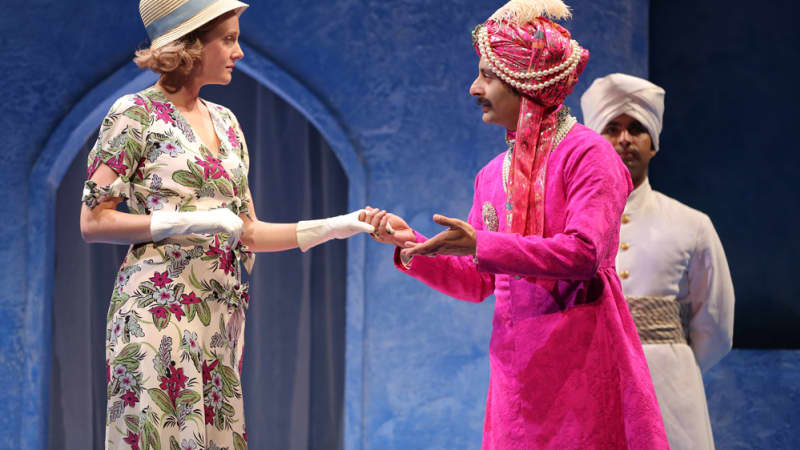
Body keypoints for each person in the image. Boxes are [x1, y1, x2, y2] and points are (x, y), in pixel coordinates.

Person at [363, 0, 669, 448]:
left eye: (487, 75)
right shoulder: (492, 175)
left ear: (526, 80)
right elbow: (477, 283)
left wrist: (482, 244)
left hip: (583, 361)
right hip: (516, 373)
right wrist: (414, 246)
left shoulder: (588, 155)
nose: (473, 88)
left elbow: (586, 254)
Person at [79, 1, 373, 448]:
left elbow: (249, 231)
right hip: (158, 310)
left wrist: (341, 224)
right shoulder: (134, 114)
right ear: (191, 46)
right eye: (229, 40)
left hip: (219, 316)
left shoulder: (228, 124)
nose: (239, 52)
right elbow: (93, 220)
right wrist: (181, 222)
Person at [581, 73, 735, 450]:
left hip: (669, 388)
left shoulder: (692, 224)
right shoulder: (567, 225)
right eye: (611, 128)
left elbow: (716, 324)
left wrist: (674, 365)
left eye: (637, 129)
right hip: (587, 377)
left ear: (653, 144)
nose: (624, 140)